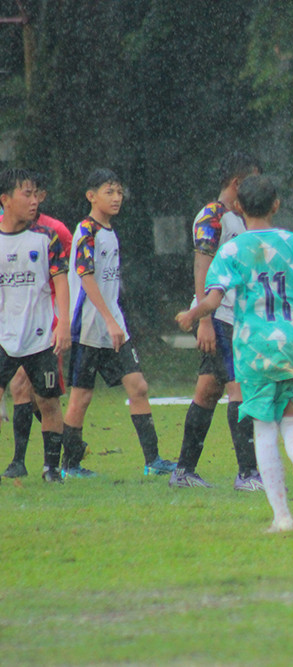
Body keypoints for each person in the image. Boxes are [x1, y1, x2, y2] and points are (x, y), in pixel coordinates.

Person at [176, 174, 293, 531]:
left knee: (264, 427)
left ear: (238, 207)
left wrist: (192, 315)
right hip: (291, 342)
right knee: (292, 419)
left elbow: (214, 300)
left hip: (251, 345)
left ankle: (282, 516)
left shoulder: (231, 251)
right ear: (276, 205)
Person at [62, 169, 176, 477]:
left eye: (119, 192)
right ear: (91, 196)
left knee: (138, 386)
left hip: (113, 327)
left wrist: (116, 322)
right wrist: (110, 320)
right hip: (89, 327)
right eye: (109, 192)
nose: (116, 198)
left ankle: (153, 462)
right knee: (81, 397)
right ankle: (69, 466)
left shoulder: (110, 231)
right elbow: (86, 277)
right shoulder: (87, 230)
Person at [170, 152, 264, 491]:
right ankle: (248, 474)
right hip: (218, 317)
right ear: (238, 183)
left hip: (234, 318)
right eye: (253, 182)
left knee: (207, 392)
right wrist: (205, 320)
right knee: (240, 388)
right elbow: (202, 268)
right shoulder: (212, 216)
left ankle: (183, 472)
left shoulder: (239, 219)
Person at [0, 168, 70, 484]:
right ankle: (15, 462)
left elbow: (61, 281)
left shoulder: (46, 238)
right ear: (5, 200)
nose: (33, 201)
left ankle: (51, 468)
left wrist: (63, 323)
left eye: (35, 194)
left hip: (40, 338)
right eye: (26, 194)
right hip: (3, 338)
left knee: (49, 401)